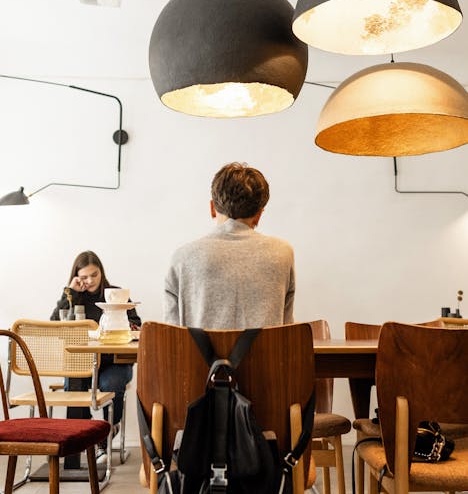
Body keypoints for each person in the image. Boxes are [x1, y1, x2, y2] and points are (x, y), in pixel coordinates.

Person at [163, 162, 295, 329]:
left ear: (212, 208)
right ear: (259, 215)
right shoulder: (282, 253)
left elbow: (172, 334)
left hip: (197, 356)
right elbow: (286, 329)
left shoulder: (182, 256)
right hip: (267, 355)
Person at [51, 250, 141, 436]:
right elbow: (55, 324)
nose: (90, 281)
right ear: (76, 277)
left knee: (112, 384)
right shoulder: (74, 296)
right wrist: (70, 292)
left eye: (94, 275)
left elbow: (136, 324)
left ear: (102, 272)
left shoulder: (116, 294)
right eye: (84, 277)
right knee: (74, 386)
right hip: (82, 362)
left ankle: (109, 428)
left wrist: (129, 327)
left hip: (114, 362)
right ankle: (86, 432)